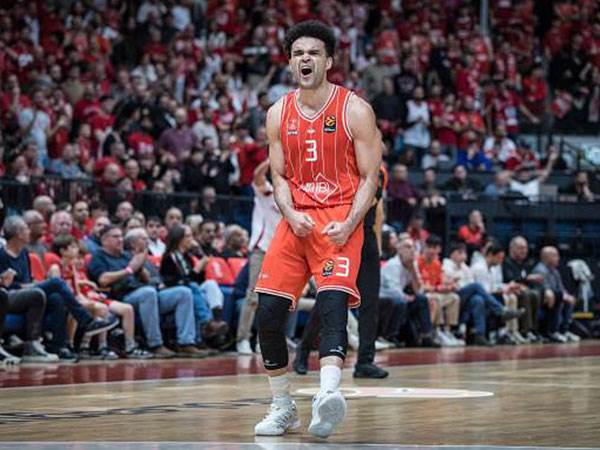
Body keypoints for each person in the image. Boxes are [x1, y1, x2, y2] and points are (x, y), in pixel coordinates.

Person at [252, 21, 382, 438]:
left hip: (341, 218)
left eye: (313, 53)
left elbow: (371, 177)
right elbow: (279, 175)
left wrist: (351, 222)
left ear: (328, 61)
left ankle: (328, 395)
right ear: (291, 63)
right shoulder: (278, 113)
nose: (305, 59)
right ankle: (283, 406)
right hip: (297, 220)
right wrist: (289, 214)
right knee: (267, 315)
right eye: (298, 53)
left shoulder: (355, 110)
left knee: (331, 305)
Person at [0, 216, 118, 360]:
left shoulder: (24, 253)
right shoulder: (2, 254)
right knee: (55, 283)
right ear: (18, 234)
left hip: (27, 293)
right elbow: (7, 285)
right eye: (26, 229)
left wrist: (35, 284)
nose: (29, 231)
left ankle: (60, 347)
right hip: (9, 296)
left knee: (56, 298)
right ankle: (86, 321)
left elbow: (29, 280)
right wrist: (31, 285)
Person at [52, 235, 153, 359]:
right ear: (63, 251)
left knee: (127, 309)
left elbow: (77, 291)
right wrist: (84, 294)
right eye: (73, 247)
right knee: (97, 308)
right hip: (66, 301)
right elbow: (58, 289)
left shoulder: (72, 268)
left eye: (81, 257)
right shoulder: (57, 267)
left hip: (84, 298)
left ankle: (125, 347)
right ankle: (81, 346)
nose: (76, 250)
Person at [237, 159, 282, 355]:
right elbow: (257, 175)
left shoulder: (294, 200)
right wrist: (273, 157)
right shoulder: (268, 191)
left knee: (274, 300)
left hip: (280, 253)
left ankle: (262, 341)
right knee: (253, 297)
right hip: (261, 250)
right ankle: (242, 340)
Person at [160, 225, 228, 350]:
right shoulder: (169, 257)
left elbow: (198, 280)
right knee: (192, 288)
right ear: (179, 239)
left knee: (211, 284)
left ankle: (216, 320)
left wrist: (200, 259)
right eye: (188, 236)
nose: (191, 239)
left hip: (191, 288)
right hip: (175, 290)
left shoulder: (187, 257)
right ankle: (207, 321)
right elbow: (173, 280)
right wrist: (196, 269)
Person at [379, 237, 440, 348]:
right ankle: (390, 336)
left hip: (399, 297)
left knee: (422, 299)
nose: (412, 250)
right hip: (384, 298)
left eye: (413, 247)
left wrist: (413, 271)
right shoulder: (393, 265)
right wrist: (407, 297)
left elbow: (418, 291)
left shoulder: (412, 264)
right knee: (401, 301)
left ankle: (426, 335)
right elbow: (394, 291)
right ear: (399, 250)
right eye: (408, 247)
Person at [533, 246, 580, 343]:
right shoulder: (540, 270)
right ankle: (553, 331)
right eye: (555, 255)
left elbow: (561, 288)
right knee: (559, 296)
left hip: (554, 298)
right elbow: (545, 289)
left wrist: (568, 296)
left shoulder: (555, 271)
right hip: (542, 300)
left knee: (567, 299)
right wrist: (563, 296)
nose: (558, 258)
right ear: (547, 257)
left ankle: (564, 331)